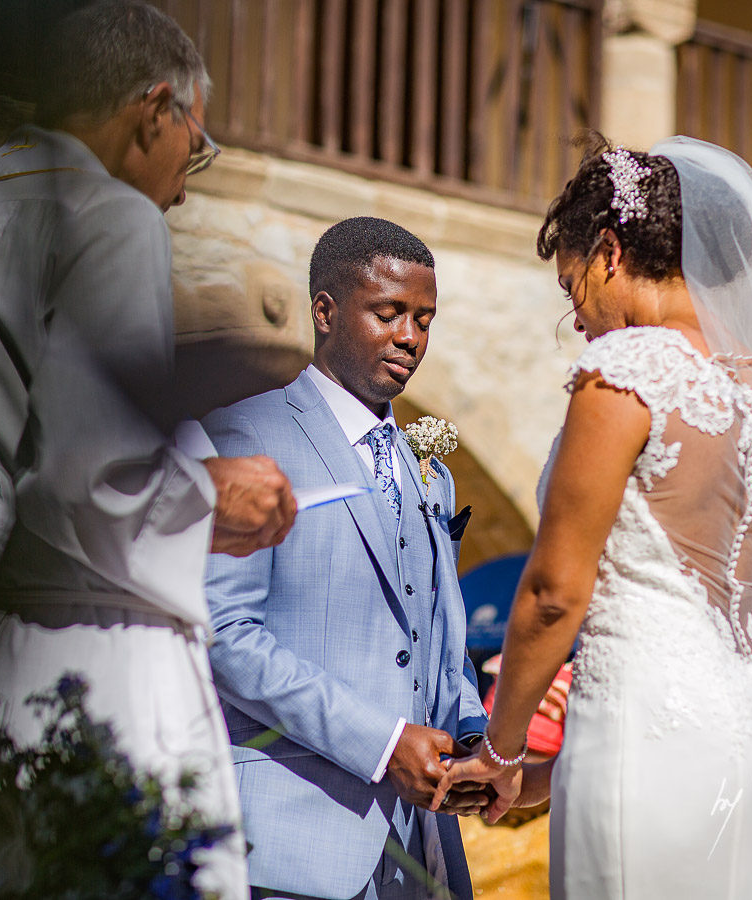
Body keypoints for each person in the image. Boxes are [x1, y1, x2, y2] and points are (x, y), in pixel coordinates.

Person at [0, 3, 295, 897]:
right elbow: (96, 477)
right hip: (69, 664)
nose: (183, 190)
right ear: (154, 109)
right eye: (192, 151)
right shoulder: (110, 219)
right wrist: (211, 495)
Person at [433, 134, 752, 898]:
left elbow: (555, 592)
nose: (579, 322)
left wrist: (500, 748)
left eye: (572, 289)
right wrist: (543, 776)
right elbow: (690, 605)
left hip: (650, 730)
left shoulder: (624, 371)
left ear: (610, 252)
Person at [201, 217, 489, 900]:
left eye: (424, 318)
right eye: (388, 313)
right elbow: (225, 636)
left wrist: (474, 734)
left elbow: (435, 640)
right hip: (289, 846)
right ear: (324, 311)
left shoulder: (431, 473)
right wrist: (385, 743)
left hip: (422, 855)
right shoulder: (246, 434)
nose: (410, 338)